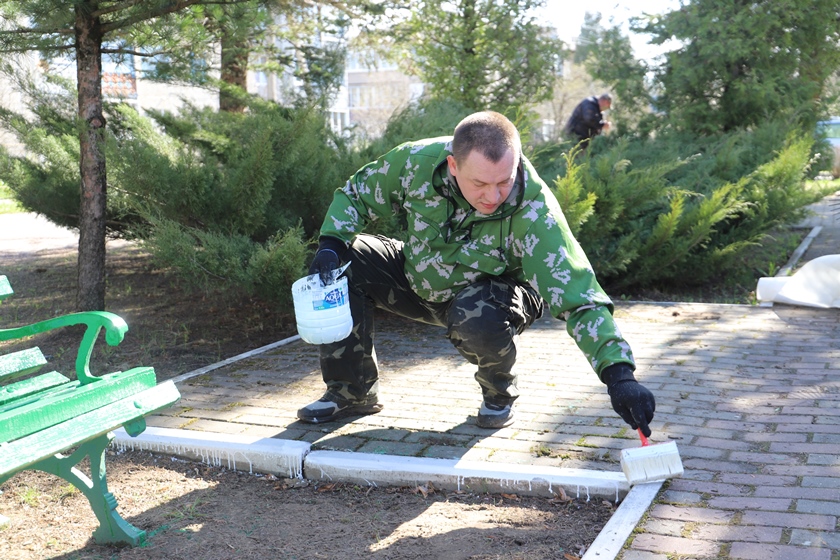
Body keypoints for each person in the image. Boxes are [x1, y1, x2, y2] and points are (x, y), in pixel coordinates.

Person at [298, 110, 655, 433]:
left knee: (476, 313)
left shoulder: (535, 212)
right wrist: (331, 243)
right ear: (453, 166)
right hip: (418, 279)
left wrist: (619, 375)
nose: (494, 197)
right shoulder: (415, 164)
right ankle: (352, 392)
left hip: (491, 300)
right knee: (345, 261)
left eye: (504, 182)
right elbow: (356, 194)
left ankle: (499, 394)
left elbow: (579, 296)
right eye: (480, 184)